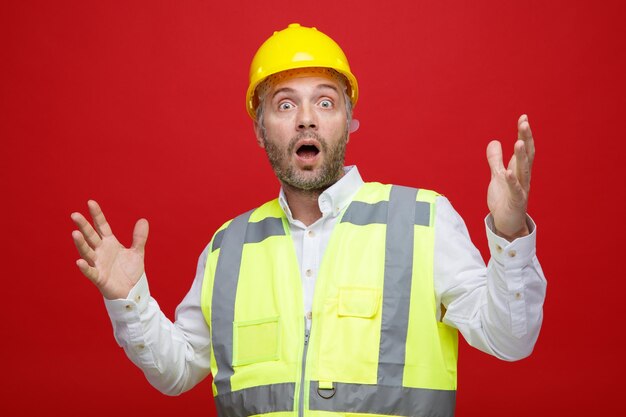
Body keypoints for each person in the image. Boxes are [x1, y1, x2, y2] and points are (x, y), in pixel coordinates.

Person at [71, 23, 546, 417]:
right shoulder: (227, 248)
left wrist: (508, 233)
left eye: (324, 101)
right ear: (260, 131)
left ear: (347, 119)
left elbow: (510, 338)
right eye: (284, 104)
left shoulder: (423, 221)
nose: (306, 119)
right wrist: (129, 300)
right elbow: (177, 372)